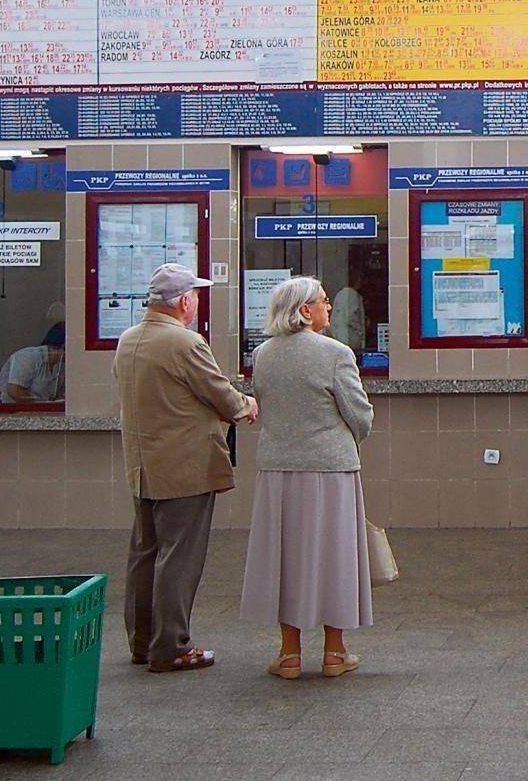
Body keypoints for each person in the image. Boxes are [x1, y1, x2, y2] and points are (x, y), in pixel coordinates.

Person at [114, 263, 258, 673]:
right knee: (179, 557)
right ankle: (171, 646)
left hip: (142, 466)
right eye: (194, 295)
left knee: (145, 554)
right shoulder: (185, 343)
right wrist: (245, 404)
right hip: (184, 467)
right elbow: (220, 394)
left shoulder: (128, 340)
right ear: (183, 301)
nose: (196, 301)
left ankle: (142, 642)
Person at [241, 276, 375, 680]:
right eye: (321, 301)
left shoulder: (263, 354)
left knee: (287, 558)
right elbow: (359, 414)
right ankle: (335, 653)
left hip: (278, 469)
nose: (328, 307)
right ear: (304, 311)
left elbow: (264, 401)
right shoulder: (336, 353)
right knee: (335, 557)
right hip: (331, 469)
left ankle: (289, 654)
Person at [0, 323, 66, 402]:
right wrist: (41, 405)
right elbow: (14, 391)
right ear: (64, 346)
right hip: (7, 410)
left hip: (40, 412)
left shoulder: (61, 366)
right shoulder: (27, 356)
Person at [328, 268, 367, 360]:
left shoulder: (340, 294)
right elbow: (351, 318)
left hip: (338, 338)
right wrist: (361, 330)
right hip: (350, 340)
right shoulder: (352, 295)